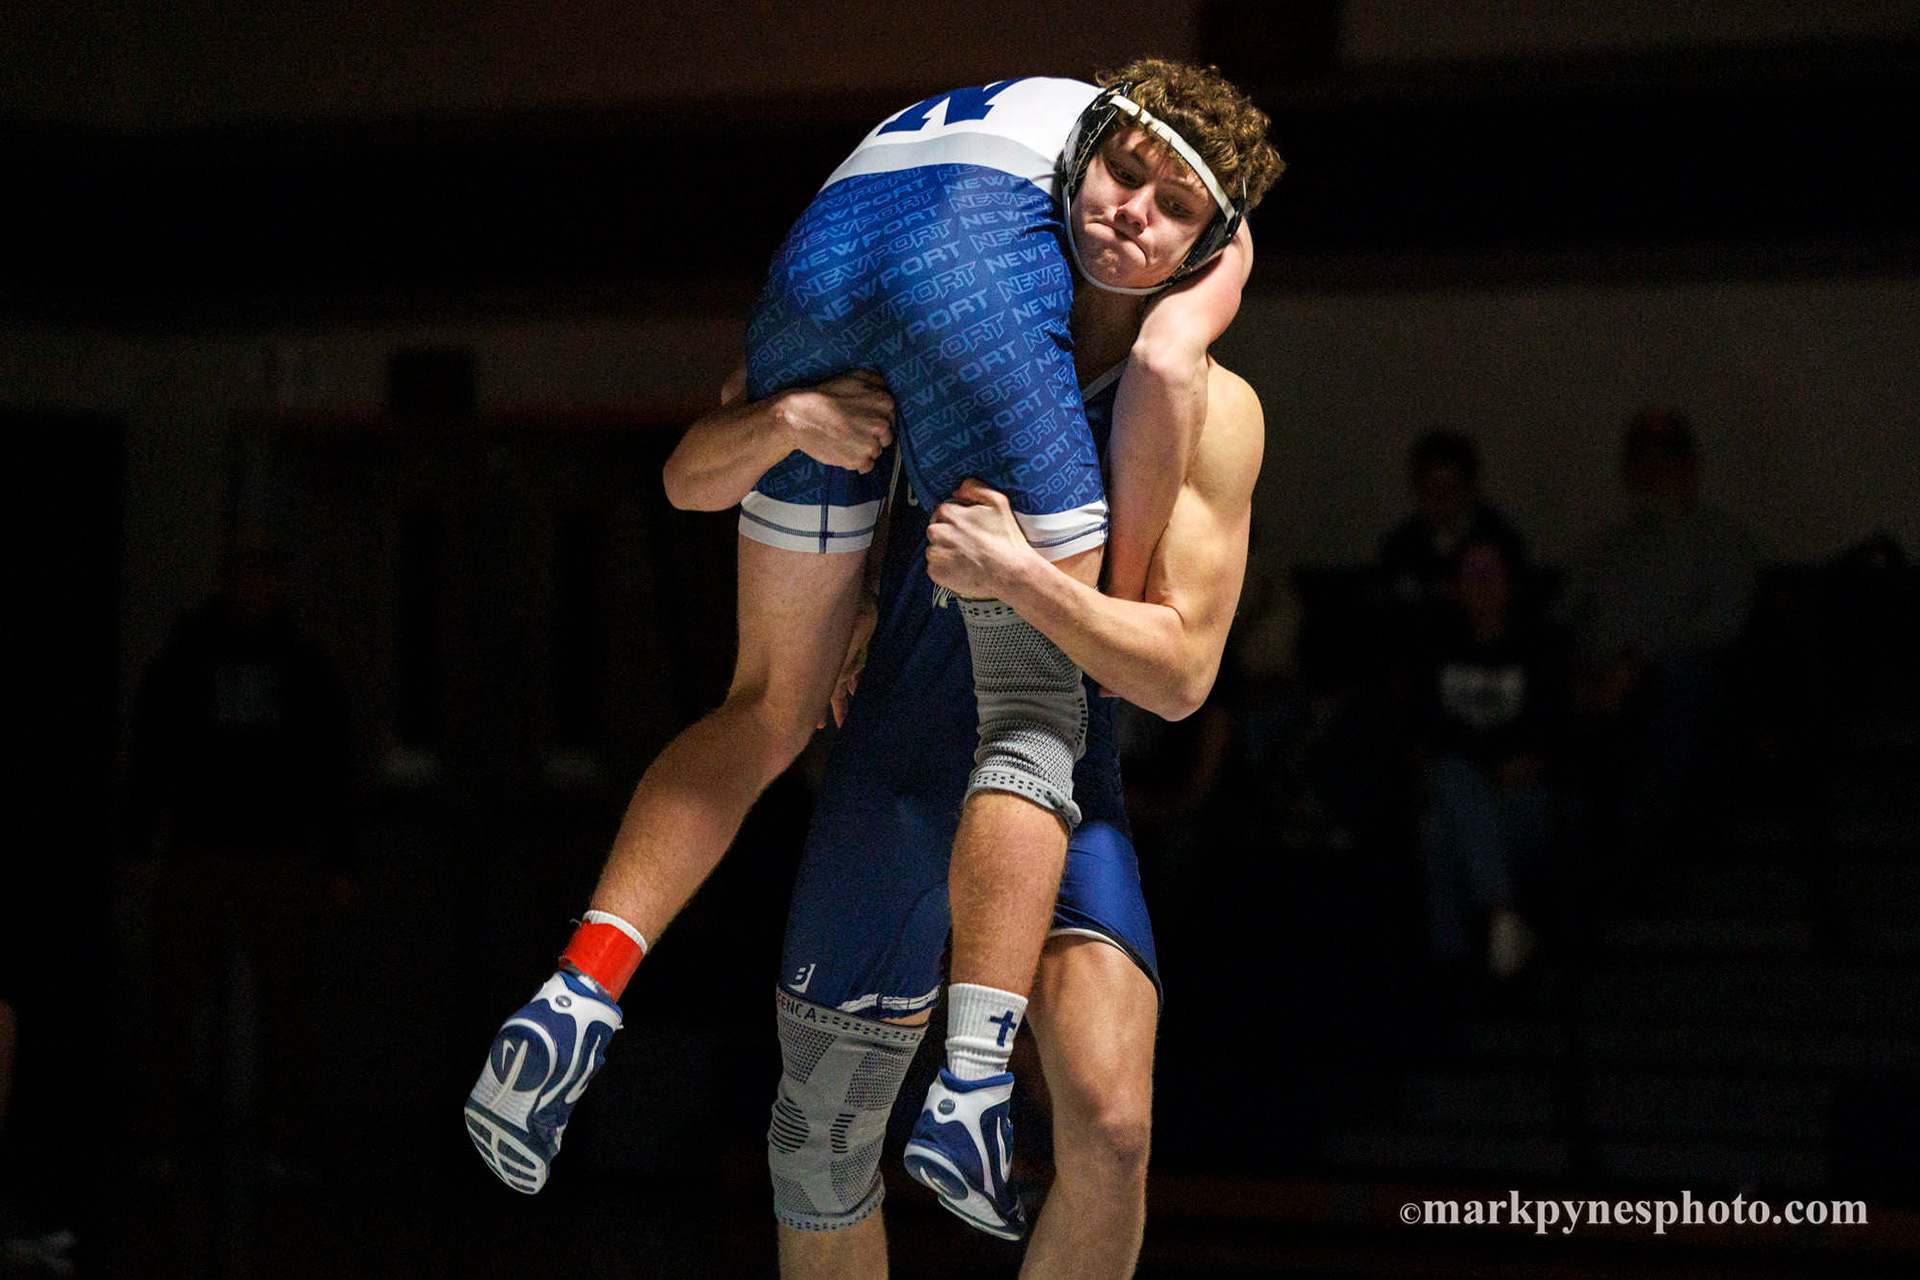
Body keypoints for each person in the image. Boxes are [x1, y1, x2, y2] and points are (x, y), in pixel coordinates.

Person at [465, 61, 1273, 1219]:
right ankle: (974, 1083)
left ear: (1203, 249)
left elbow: (1178, 673)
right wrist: (790, 419)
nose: (1131, 214)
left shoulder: (1198, 392)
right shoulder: (1014, 281)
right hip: (907, 751)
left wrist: (1011, 577)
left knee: (1109, 1124)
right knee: (821, 1150)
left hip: (833, 273)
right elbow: (689, 473)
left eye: (1173, 209)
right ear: (1083, 151)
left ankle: (580, 992)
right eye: (1121, 179)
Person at [1414, 535, 1570, 987]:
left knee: (1442, 824)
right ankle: (1502, 922)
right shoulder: (1435, 649)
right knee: (1444, 808)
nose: (1482, 585)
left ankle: (1455, 969)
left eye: (1492, 572)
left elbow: (1551, 735)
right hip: (1464, 785)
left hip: (1524, 803)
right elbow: (1427, 735)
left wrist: (1508, 761)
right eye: (1471, 574)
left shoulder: (1541, 647)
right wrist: (1479, 761)